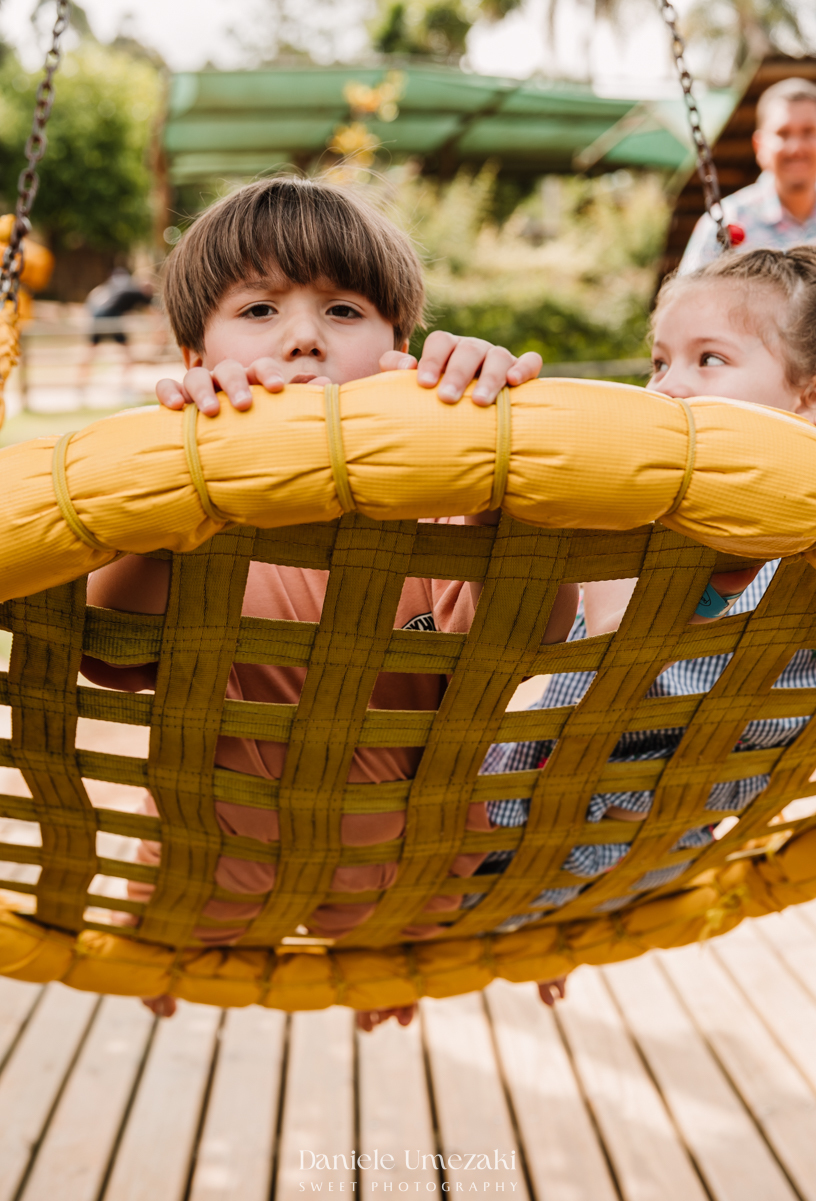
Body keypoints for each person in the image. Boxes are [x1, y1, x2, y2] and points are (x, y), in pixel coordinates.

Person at [79, 176, 578, 1020]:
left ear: (404, 353)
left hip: (409, 881)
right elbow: (109, 647)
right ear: (197, 363)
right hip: (199, 871)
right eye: (260, 310)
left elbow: (529, 626)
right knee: (152, 959)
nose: (305, 338)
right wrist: (174, 478)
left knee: (398, 970)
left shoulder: (441, 509)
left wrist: (492, 445)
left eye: (343, 311)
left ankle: (387, 975)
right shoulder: (188, 521)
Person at [480, 246, 816, 981]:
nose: (666, 387)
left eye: (709, 361)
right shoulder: (641, 520)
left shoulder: (785, 569)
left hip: (638, 845)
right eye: (660, 363)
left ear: (807, 397)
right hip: (525, 824)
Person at [680, 78, 816, 273]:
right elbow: (687, 301)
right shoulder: (723, 225)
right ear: (759, 146)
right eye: (783, 133)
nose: (796, 148)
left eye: (809, 132)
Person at [77, 266, 154, 396]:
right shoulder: (138, 293)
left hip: (98, 318)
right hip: (112, 320)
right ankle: (126, 387)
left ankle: (80, 385)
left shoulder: (119, 289)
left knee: (90, 352)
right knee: (127, 354)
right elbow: (153, 313)